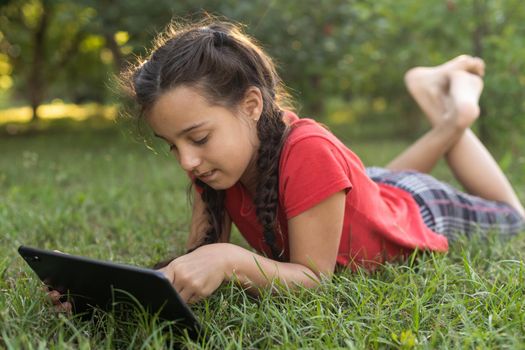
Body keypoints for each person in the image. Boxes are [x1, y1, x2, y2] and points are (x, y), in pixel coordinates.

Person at [49, 20, 525, 309]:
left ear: (252, 104)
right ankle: (434, 100)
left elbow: (315, 280)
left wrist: (231, 259)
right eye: (172, 145)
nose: (187, 161)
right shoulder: (217, 168)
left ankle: (455, 109)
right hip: (350, 198)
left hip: (417, 209)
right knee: (373, 185)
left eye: (197, 137)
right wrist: (106, 295)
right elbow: (193, 263)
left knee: (514, 218)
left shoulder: (309, 151)